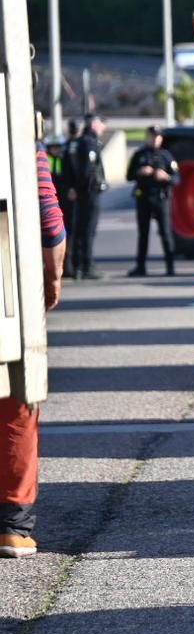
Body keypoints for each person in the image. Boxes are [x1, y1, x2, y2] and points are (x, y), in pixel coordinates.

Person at [1, 144, 67, 558]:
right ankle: (12, 525)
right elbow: (49, 216)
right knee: (16, 391)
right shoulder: (14, 123)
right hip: (6, 268)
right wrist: (52, 276)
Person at [126, 125, 178, 277]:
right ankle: (140, 266)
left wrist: (166, 177)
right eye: (152, 136)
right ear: (147, 137)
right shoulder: (139, 155)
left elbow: (177, 179)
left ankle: (170, 267)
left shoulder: (166, 156)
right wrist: (140, 171)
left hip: (161, 198)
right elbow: (128, 176)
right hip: (144, 197)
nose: (155, 139)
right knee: (143, 234)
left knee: (166, 233)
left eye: (157, 136)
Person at [63, 113, 106, 280]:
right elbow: (88, 170)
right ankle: (86, 266)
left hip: (82, 191)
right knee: (88, 229)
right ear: (94, 124)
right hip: (89, 192)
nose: (103, 127)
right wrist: (83, 187)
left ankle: (77, 264)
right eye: (101, 123)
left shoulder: (76, 142)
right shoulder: (89, 143)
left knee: (81, 229)